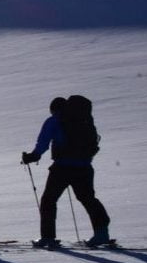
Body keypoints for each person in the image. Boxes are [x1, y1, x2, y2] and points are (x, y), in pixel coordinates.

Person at [22, 95, 112, 248]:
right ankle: (102, 233)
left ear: (54, 109)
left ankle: (48, 237)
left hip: (62, 168)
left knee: (48, 201)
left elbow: (43, 142)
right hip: (84, 167)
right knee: (88, 199)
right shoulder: (84, 119)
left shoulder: (55, 120)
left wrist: (32, 156)